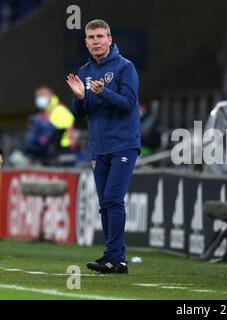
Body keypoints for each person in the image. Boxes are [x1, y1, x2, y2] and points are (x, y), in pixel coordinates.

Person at [66, 19, 141, 274]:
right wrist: (79, 98)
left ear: (110, 39)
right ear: (86, 43)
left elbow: (129, 103)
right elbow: (79, 113)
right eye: (91, 37)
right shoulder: (85, 71)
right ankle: (114, 258)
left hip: (123, 144)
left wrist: (103, 93)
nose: (96, 41)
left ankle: (116, 257)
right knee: (104, 203)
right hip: (98, 147)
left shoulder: (125, 67)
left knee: (112, 199)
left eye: (100, 36)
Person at [25, 86, 76, 165]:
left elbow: (53, 135)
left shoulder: (60, 111)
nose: (39, 98)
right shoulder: (46, 112)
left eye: (42, 95)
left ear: (51, 96)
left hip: (63, 152)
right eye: (37, 96)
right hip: (53, 153)